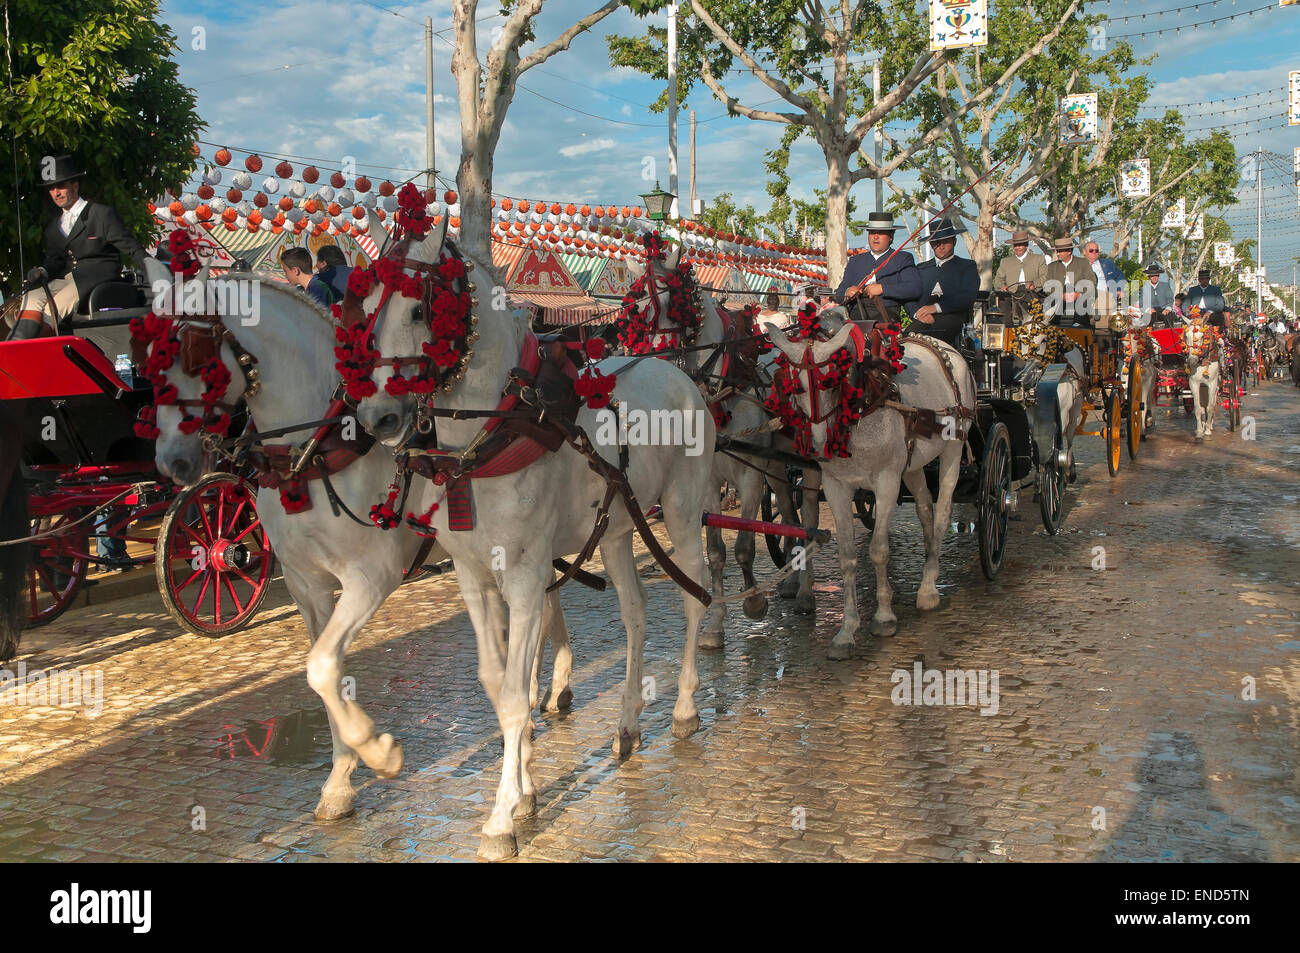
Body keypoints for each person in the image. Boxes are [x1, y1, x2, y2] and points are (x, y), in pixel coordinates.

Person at [8, 155, 150, 339]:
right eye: (51, 188)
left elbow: (133, 249)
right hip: (67, 278)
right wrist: (42, 270)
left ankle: (28, 350)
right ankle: (13, 347)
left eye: (61, 186)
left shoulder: (100, 214)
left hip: (96, 276)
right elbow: (55, 261)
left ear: (75, 186)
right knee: (32, 297)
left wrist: (158, 274)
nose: (56, 192)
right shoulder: (53, 227)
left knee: (53, 307)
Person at [833, 211, 922, 323]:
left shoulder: (902, 258)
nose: (875, 237)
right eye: (872, 232)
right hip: (856, 315)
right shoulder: (855, 261)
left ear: (890, 236)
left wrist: (882, 289)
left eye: (881, 233)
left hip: (887, 315)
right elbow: (839, 292)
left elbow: (914, 288)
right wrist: (847, 292)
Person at [905, 217, 979, 347]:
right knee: (905, 341)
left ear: (954, 242)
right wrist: (916, 313)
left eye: (946, 241)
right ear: (931, 244)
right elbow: (908, 295)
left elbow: (968, 296)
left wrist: (935, 308)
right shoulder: (921, 269)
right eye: (936, 242)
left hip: (952, 318)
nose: (941, 246)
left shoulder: (967, 266)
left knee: (934, 339)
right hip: (922, 319)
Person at [1042, 236, 1095, 327]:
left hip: (1079, 295)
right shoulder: (1052, 266)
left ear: (1069, 251)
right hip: (1058, 297)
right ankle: (1053, 326)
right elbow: (1047, 286)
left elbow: (1091, 282)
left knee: (1083, 301)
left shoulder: (1083, 263)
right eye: (1057, 251)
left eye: (1060, 251)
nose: (1058, 253)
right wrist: (1061, 295)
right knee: (1051, 304)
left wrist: (1078, 294)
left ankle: (1078, 326)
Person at [1083, 240, 1125, 325]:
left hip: (1106, 297)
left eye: (1097, 250)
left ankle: (1102, 332)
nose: (1094, 252)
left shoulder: (1107, 263)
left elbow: (1120, 276)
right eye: (1091, 250)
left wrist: (1119, 289)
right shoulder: (1080, 265)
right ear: (1084, 252)